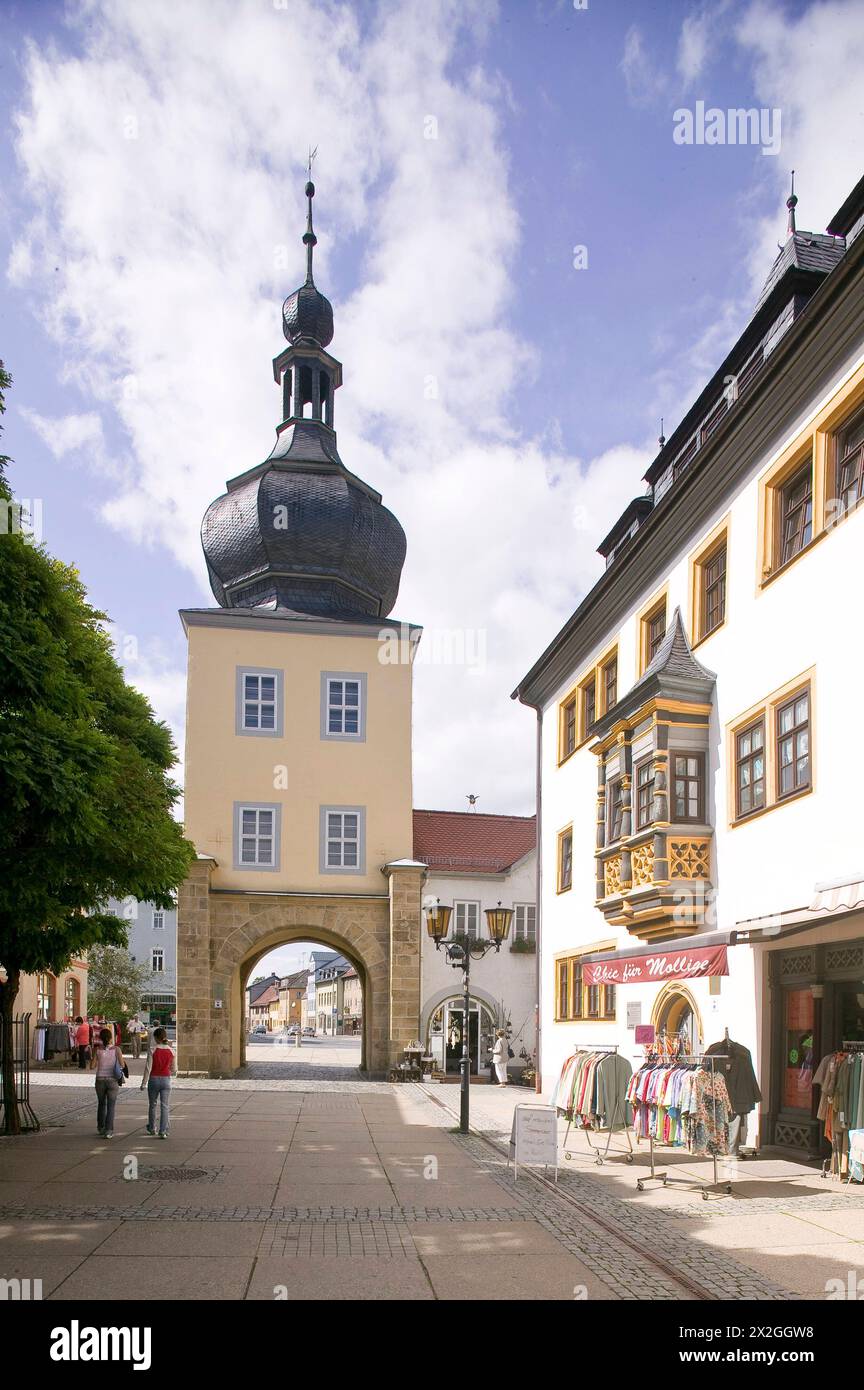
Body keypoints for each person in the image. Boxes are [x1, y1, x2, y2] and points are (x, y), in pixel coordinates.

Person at [141, 1026, 177, 1139]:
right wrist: (168, 1070)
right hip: (166, 1079)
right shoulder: (172, 1050)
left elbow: (148, 1067)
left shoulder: (153, 1050)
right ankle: (163, 1131)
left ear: (156, 1038)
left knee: (152, 1105)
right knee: (165, 1106)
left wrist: (143, 1083)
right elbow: (174, 1069)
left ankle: (152, 1128)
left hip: (154, 1079)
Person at [90, 1026, 125, 1138]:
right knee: (111, 1105)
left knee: (101, 1103)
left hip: (100, 1079)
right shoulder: (117, 1050)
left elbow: (92, 1066)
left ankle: (100, 1127)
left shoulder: (97, 1050)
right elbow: (122, 1065)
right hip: (112, 1080)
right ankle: (109, 1130)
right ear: (111, 1038)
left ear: (100, 1038)